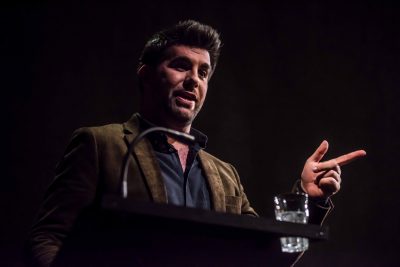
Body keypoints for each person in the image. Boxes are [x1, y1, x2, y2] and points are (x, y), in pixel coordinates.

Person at [25, 20, 366, 267]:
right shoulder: (101, 144)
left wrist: (308, 198)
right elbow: (48, 238)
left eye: (203, 73)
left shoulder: (225, 174)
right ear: (145, 74)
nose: (193, 80)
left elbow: (268, 257)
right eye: (180, 66)